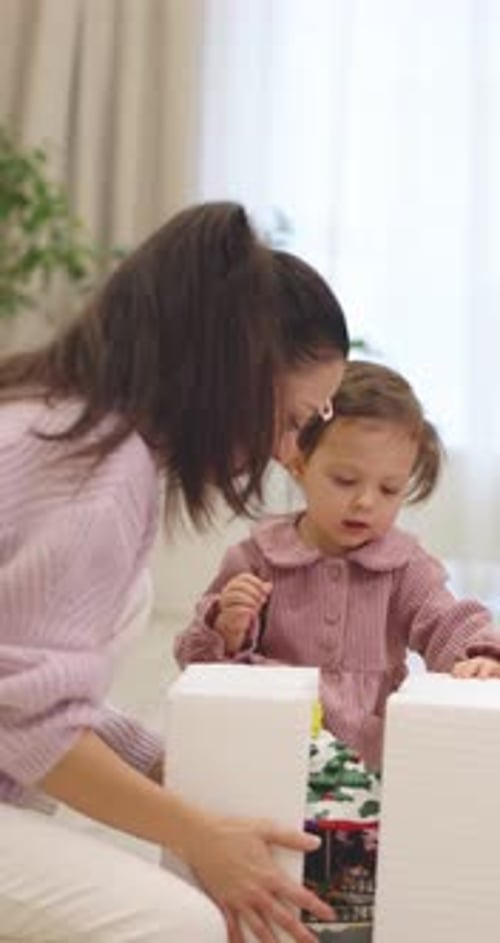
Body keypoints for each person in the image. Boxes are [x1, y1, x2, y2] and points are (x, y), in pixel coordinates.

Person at [0, 201, 350, 943]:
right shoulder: (95, 472)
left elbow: (32, 686)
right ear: (235, 371)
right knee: (179, 923)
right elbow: (27, 722)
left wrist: (181, 766)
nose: (289, 451)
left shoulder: (66, 421)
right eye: (295, 419)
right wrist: (197, 832)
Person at [175, 360, 500, 772]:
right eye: (345, 480)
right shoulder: (256, 559)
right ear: (299, 463)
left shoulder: (403, 567)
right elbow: (196, 661)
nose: (366, 502)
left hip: (369, 762)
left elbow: (447, 621)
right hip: (269, 753)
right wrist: (227, 627)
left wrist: (480, 656)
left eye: (389, 489)